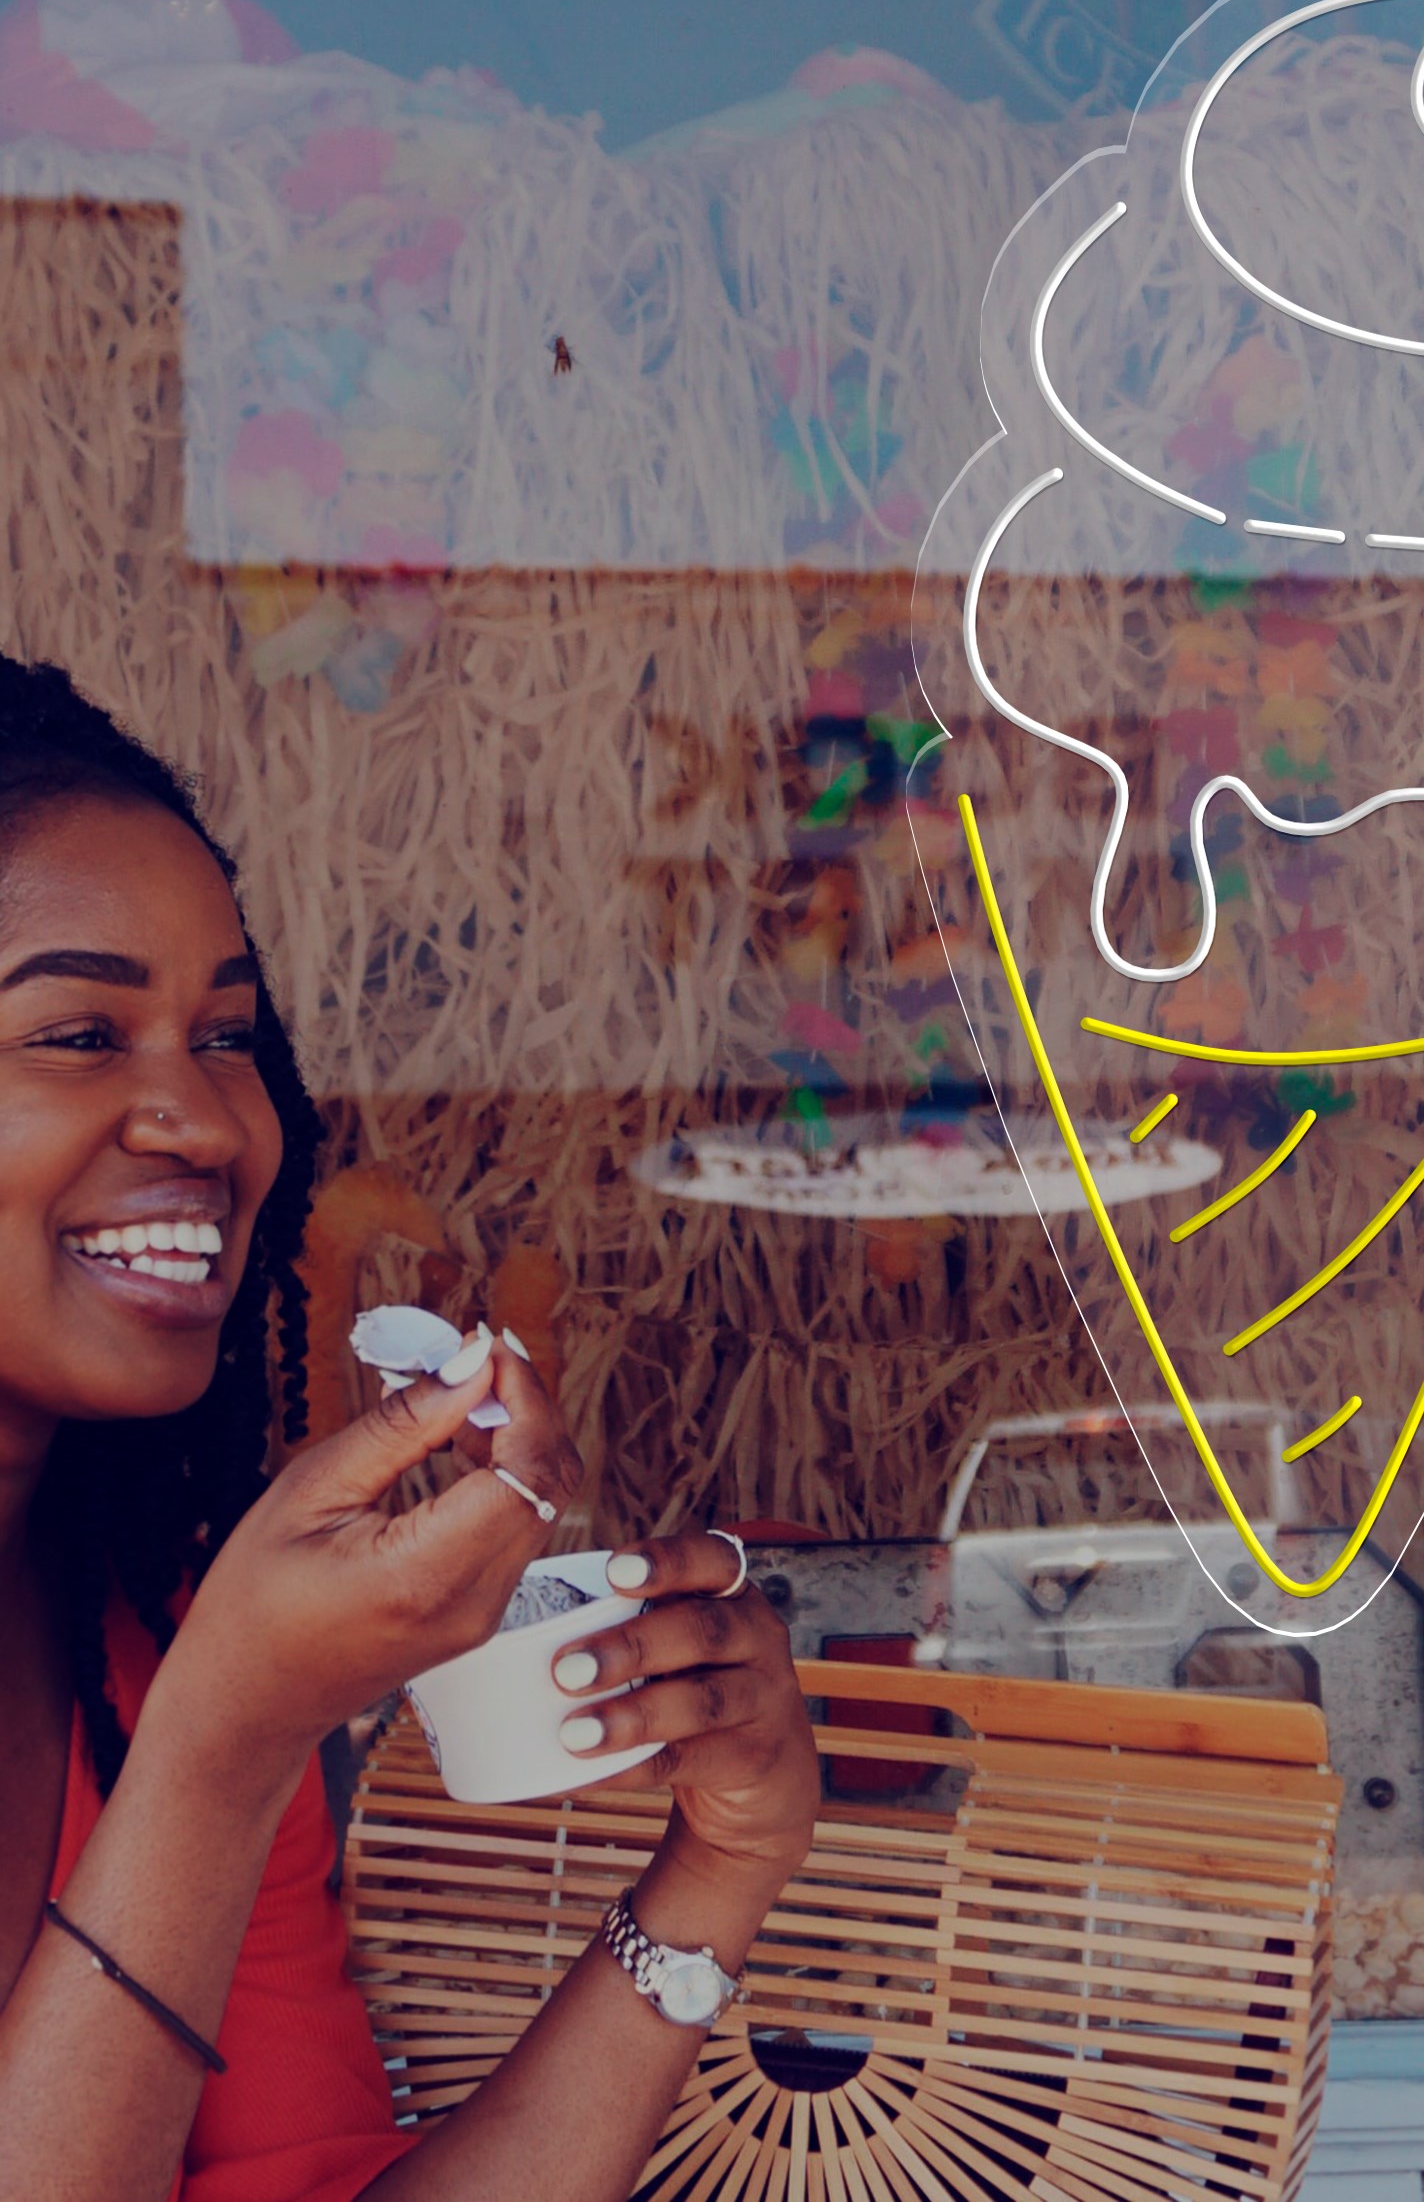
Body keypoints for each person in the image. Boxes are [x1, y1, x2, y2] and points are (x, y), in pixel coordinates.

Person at [0, 656, 822, 2202]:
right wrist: (223, 1750)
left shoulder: (136, 1645)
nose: (207, 1123)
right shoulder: (192, 1701)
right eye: (79, 1037)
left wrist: (717, 1872)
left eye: (226, 1038)